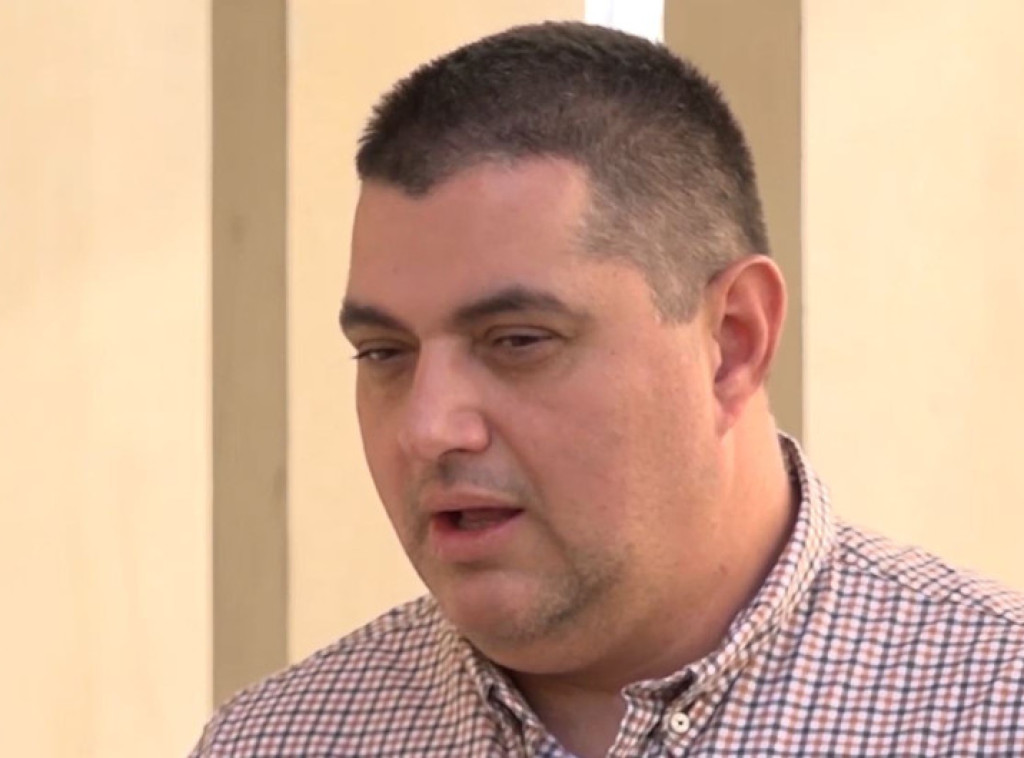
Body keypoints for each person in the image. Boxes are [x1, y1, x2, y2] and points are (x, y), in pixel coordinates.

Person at [191, 21, 1024, 757]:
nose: (428, 426)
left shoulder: (993, 711)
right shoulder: (274, 741)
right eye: (383, 352)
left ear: (732, 342)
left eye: (518, 342)